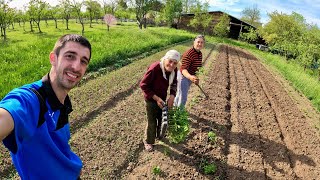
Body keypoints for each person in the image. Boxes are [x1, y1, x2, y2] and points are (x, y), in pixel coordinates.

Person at [0, 34, 91, 179]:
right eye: (70, 56)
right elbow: (7, 114)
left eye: (83, 61)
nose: (76, 67)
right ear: (53, 58)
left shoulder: (63, 101)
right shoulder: (30, 100)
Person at [140, 50, 180, 151]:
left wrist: (172, 96)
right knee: (152, 121)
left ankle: (159, 135)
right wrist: (156, 98)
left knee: (161, 117)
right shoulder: (155, 68)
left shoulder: (174, 70)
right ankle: (148, 141)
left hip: (161, 97)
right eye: (170, 61)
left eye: (175, 63)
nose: (172, 65)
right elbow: (143, 85)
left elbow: (174, 83)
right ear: (165, 59)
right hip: (151, 98)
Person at [174, 35, 205, 107]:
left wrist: (195, 77)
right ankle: (179, 115)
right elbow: (183, 69)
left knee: (180, 93)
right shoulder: (189, 53)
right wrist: (190, 77)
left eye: (202, 42)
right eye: (198, 42)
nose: (200, 44)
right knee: (183, 97)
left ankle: (174, 108)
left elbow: (198, 67)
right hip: (183, 76)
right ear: (194, 42)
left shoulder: (199, 54)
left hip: (190, 77)